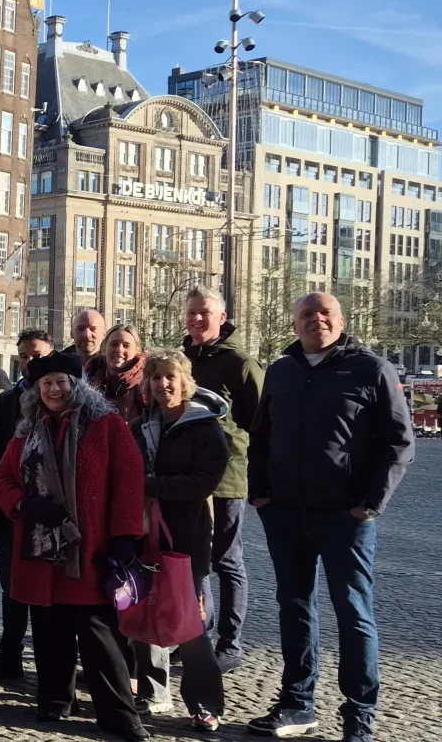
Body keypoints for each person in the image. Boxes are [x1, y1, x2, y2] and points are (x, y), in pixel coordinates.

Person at [246, 293, 413, 742]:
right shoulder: (281, 371)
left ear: (341, 321)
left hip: (345, 516)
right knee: (294, 609)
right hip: (285, 512)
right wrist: (260, 493)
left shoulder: (372, 369)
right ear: (295, 324)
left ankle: (359, 715)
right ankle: (297, 704)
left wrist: (370, 503)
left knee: (353, 613)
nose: (316, 320)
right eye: (307, 314)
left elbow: (399, 442)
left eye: (325, 314)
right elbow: (260, 435)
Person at [0, 352, 148, 742]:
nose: (53, 390)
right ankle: (55, 699)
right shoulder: (26, 431)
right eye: (45, 384)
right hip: (42, 549)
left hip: (91, 548)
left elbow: (129, 481)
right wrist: (24, 504)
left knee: (99, 635)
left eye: (60, 382)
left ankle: (118, 713)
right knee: (50, 629)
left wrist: (125, 537)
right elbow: (3, 479)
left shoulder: (107, 426)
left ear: (76, 385)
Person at [130, 349, 229, 731]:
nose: (163, 384)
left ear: (185, 381)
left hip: (187, 535)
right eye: (156, 377)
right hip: (143, 533)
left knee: (188, 622)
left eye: (170, 376)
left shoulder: (205, 428)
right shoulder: (140, 427)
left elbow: (202, 483)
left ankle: (205, 702)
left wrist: (150, 486)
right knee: (146, 611)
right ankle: (152, 691)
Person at [182, 285, 263, 673]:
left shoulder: (241, 363)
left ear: (222, 317)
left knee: (227, 560)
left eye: (204, 313)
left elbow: (261, 425)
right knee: (193, 561)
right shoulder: (182, 359)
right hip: (188, 478)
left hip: (228, 477)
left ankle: (230, 643)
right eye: (191, 313)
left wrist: (259, 480)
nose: (197, 319)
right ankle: (196, 634)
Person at [0, 328, 52, 682]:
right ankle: (10, 654)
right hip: (16, 511)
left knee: (48, 591)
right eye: (24, 356)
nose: (29, 362)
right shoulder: (8, 401)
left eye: (37, 355)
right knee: (12, 587)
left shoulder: (65, 399)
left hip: (54, 511)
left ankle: (50, 664)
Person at [88, 324, 148, 425]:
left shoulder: (147, 381)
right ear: (104, 348)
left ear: (137, 351)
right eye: (114, 344)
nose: (119, 350)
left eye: (126, 345)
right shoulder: (88, 378)